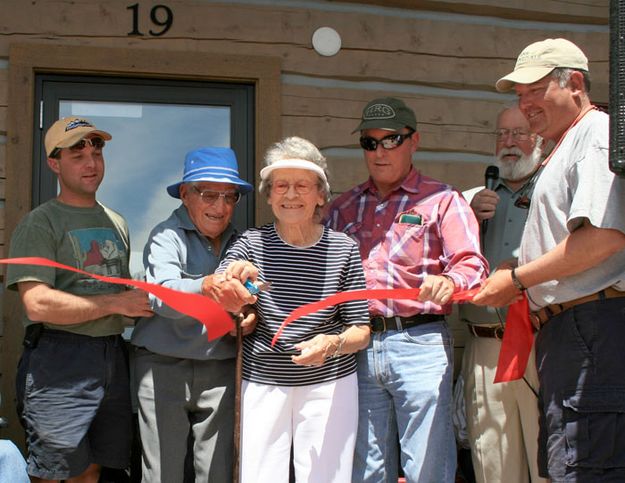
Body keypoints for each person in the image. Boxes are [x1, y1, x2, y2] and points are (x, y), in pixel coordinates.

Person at [473, 38, 625, 481]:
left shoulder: (594, 135)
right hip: (571, 332)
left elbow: (602, 239)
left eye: (535, 90)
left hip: (593, 330)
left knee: (587, 467)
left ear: (575, 82)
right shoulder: (567, 143)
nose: (525, 104)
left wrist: (517, 279)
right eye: (520, 95)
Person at [324, 97, 488, 482]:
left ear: (414, 141)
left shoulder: (443, 200)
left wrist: (448, 281)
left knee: (427, 464)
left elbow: (472, 264)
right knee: (366, 466)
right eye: (370, 142)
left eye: (391, 140)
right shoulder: (342, 208)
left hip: (420, 340)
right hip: (359, 344)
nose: (379, 151)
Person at [6, 116, 154, 482]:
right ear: (54, 163)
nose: (91, 162)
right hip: (59, 360)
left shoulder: (116, 222)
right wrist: (116, 304)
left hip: (111, 356)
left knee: (92, 470)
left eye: (96, 150)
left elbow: (114, 296)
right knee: (53, 472)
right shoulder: (40, 223)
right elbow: (36, 303)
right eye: (77, 154)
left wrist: (136, 302)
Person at [215, 136, 371, 483]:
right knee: (259, 476)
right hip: (264, 381)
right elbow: (224, 284)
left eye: (302, 185)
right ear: (268, 195)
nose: (290, 195)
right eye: (280, 186)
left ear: (320, 195)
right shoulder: (250, 243)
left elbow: (361, 330)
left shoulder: (344, 249)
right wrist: (235, 285)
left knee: (327, 477)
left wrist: (330, 345)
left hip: (330, 381)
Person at [131, 147, 256, 483]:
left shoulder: (243, 241)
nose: (220, 206)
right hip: (162, 367)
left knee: (217, 472)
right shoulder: (165, 235)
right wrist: (206, 285)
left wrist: (248, 315)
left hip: (221, 366)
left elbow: (255, 295)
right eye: (209, 194)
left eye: (230, 196)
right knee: (162, 472)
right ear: (185, 194)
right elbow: (162, 296)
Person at [459, 105, 546, 483]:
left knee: (549, 460)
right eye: (502, 135)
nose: (509, 143)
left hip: (541, 342)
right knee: (493, 464)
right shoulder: (469, 199)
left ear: (539, 139)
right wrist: (467, 217)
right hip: (485, 347)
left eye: (519, 133)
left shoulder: (553, 189)